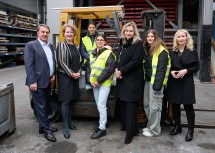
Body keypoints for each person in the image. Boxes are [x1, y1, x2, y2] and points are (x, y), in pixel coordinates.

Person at [24, 24, 58, 142]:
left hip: (47, 80)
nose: (45, 34)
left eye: (47, 32)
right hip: (36, 82)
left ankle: (41, 127)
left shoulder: (50, 46)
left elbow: (51, 62)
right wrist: (32, 81)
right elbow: (29, 65)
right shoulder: (31, 45)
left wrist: (52, 73)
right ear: (37, 33)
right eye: (42, 32)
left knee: (46, 105)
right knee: (41, 106)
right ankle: (47, 131)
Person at [167, 29, 199, 142]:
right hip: (174, 81)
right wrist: (171, 71)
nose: (181, 39)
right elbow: (169, 66)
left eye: (183, 36)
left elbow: (196, 67)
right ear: (176, 39)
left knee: (188, 106)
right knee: (175, 105)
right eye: (178, 37)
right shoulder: (173, 52)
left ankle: (190, 130)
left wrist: (185, 71)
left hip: (186, 81)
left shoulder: (192, 51)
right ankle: (177, 126)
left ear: (187, 38)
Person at [115, 22, 144, 144]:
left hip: (132, 80)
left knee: (131, 106)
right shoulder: (123, 43)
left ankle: (129, 134)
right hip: (122, 79)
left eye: (130, 31)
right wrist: (117, 69)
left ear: (134, 32)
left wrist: (121, 71)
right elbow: (119, 58)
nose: (128, 33)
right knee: (123, 104)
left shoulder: (137, 44)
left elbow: (135, 61)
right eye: (126, 31)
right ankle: (132, 128)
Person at [142, 29, 171, 137]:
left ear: (156, 37)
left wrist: (158, 86)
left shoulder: (161, 51)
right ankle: (150, 126)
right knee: (147, 105)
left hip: (156, 84)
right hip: (148, 81)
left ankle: (155, 130)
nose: (149, 38)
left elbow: (161, 69)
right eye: (148, 36)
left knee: (155, 107)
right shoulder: (148, 49)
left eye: (151, 36)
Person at [86, 34, 115, 139]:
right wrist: (91, 81)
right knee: (99, 105)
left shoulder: (109, 53)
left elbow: (109, 69)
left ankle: (102, 128)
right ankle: (103, 123)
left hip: (104, 83)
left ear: (105, 42)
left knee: (101, 105)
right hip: (95, 84)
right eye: (97, 40)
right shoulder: (92, 53)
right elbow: (89, 68)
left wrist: (98, 81)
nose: (99, 41)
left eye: (101, 40)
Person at [56, 24, 82, 139]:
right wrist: (71, 73)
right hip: (65, 77)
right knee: (65, 101)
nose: (69, 34)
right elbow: (61, 62)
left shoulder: (76, 46)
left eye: (71, 32)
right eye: (67, 32)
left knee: (71, 101)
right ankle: (65, 126)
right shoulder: (61, 45)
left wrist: (79, 72)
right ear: (64, 34)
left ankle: (70, 122)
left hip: (75, 77)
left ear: (74, 33)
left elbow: (80, 61)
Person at [80, 22, 98, 89]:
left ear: (95, 28)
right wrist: (91, 58)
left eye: (93, 27)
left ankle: (96, 82)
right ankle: (88, 83)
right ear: (88, 28)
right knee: (89, 65)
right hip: (88, 60)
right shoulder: (84, 39)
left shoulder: (99, 38)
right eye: (90, 27)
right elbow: (83, 51)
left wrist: (96, 58)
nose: (91, 29)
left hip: (98, 59)